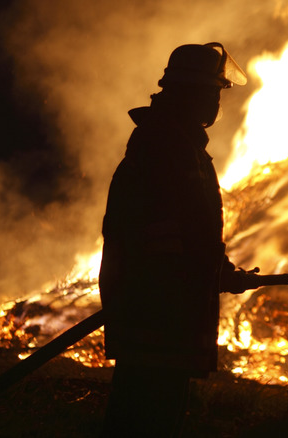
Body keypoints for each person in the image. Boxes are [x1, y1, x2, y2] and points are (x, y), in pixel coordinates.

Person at [98, 42, 252, 437]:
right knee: (146, 416)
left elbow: (190, 229)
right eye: (215, 93)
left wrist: (221, 272)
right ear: (195, 93)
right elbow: (165, 231)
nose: (218, 104)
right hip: (158, 311)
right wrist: (196, 275)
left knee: (156, 411)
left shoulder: (177, 144)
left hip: (166, 309)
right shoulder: (167, 147)